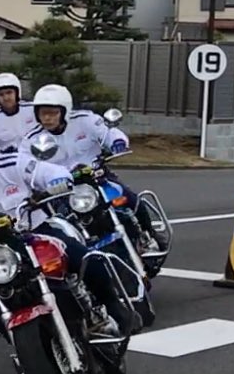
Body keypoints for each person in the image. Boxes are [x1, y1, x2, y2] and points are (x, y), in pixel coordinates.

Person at [0, 117, 123, 338]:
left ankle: (114, 308)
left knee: (86, 260)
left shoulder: (12, 164)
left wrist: (56, 182)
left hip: (36, 233)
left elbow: (50, 172)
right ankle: (22, 349)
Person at [23, 84, 161, 251]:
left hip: (96, 177)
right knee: (62, 223)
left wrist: (117, 142)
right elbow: (26, 166)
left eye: (53, 113)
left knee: (129, 197)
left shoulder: (85, 120)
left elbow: (107, 132)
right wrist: (36, 183)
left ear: (65, 111)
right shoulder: (32, 139)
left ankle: (149, 234)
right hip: (64, 190)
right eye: (43, 113)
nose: (47, 118)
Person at [0, 72, 36, 153]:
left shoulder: (33, 109)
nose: (6, 98)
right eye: (1, 95)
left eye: (9, 92)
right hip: (11, 161)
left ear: (17, 93)